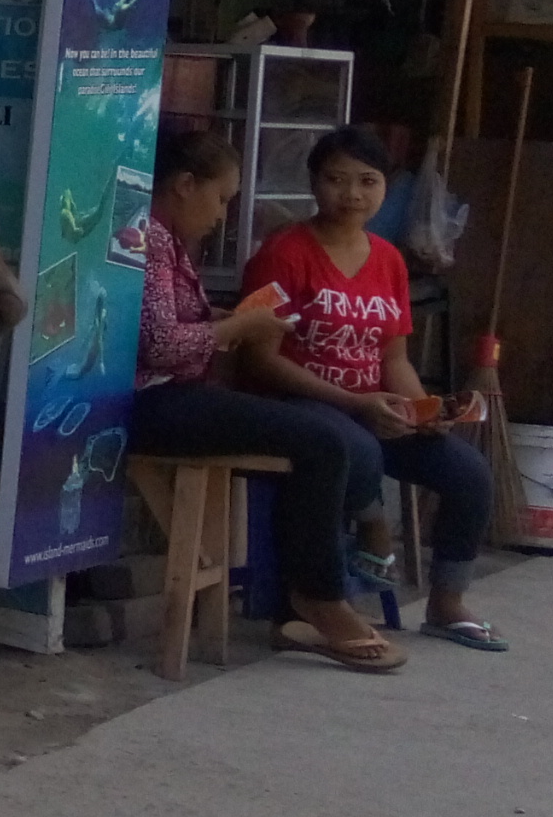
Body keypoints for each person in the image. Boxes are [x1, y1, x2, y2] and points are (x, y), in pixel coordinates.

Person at [120, 123, 404, 672]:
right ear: (184, 185)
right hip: (154, 401)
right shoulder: (149, 237)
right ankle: (317, 597)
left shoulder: (167, 241)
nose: (222, 214)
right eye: (221, 198)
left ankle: (301, 599)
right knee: (321, 440)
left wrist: (230, 320)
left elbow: (170, 324)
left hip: (178, 392)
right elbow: (158, 347)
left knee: (321, 442)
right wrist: (240, 327)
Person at [240, 124, 501, 649]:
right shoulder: (283, 252)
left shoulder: (388, 259)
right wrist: (355, 402)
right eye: (336, 180)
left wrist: (421, 409)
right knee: (353, 447)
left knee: (468, 473)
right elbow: (259, 359)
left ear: (385, 186)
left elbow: (394, 357)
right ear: (314, 183)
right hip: (302, 406)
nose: (352, 195)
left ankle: (447, 604)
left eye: (368, 181)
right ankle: (367, 536)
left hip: (372, 408)